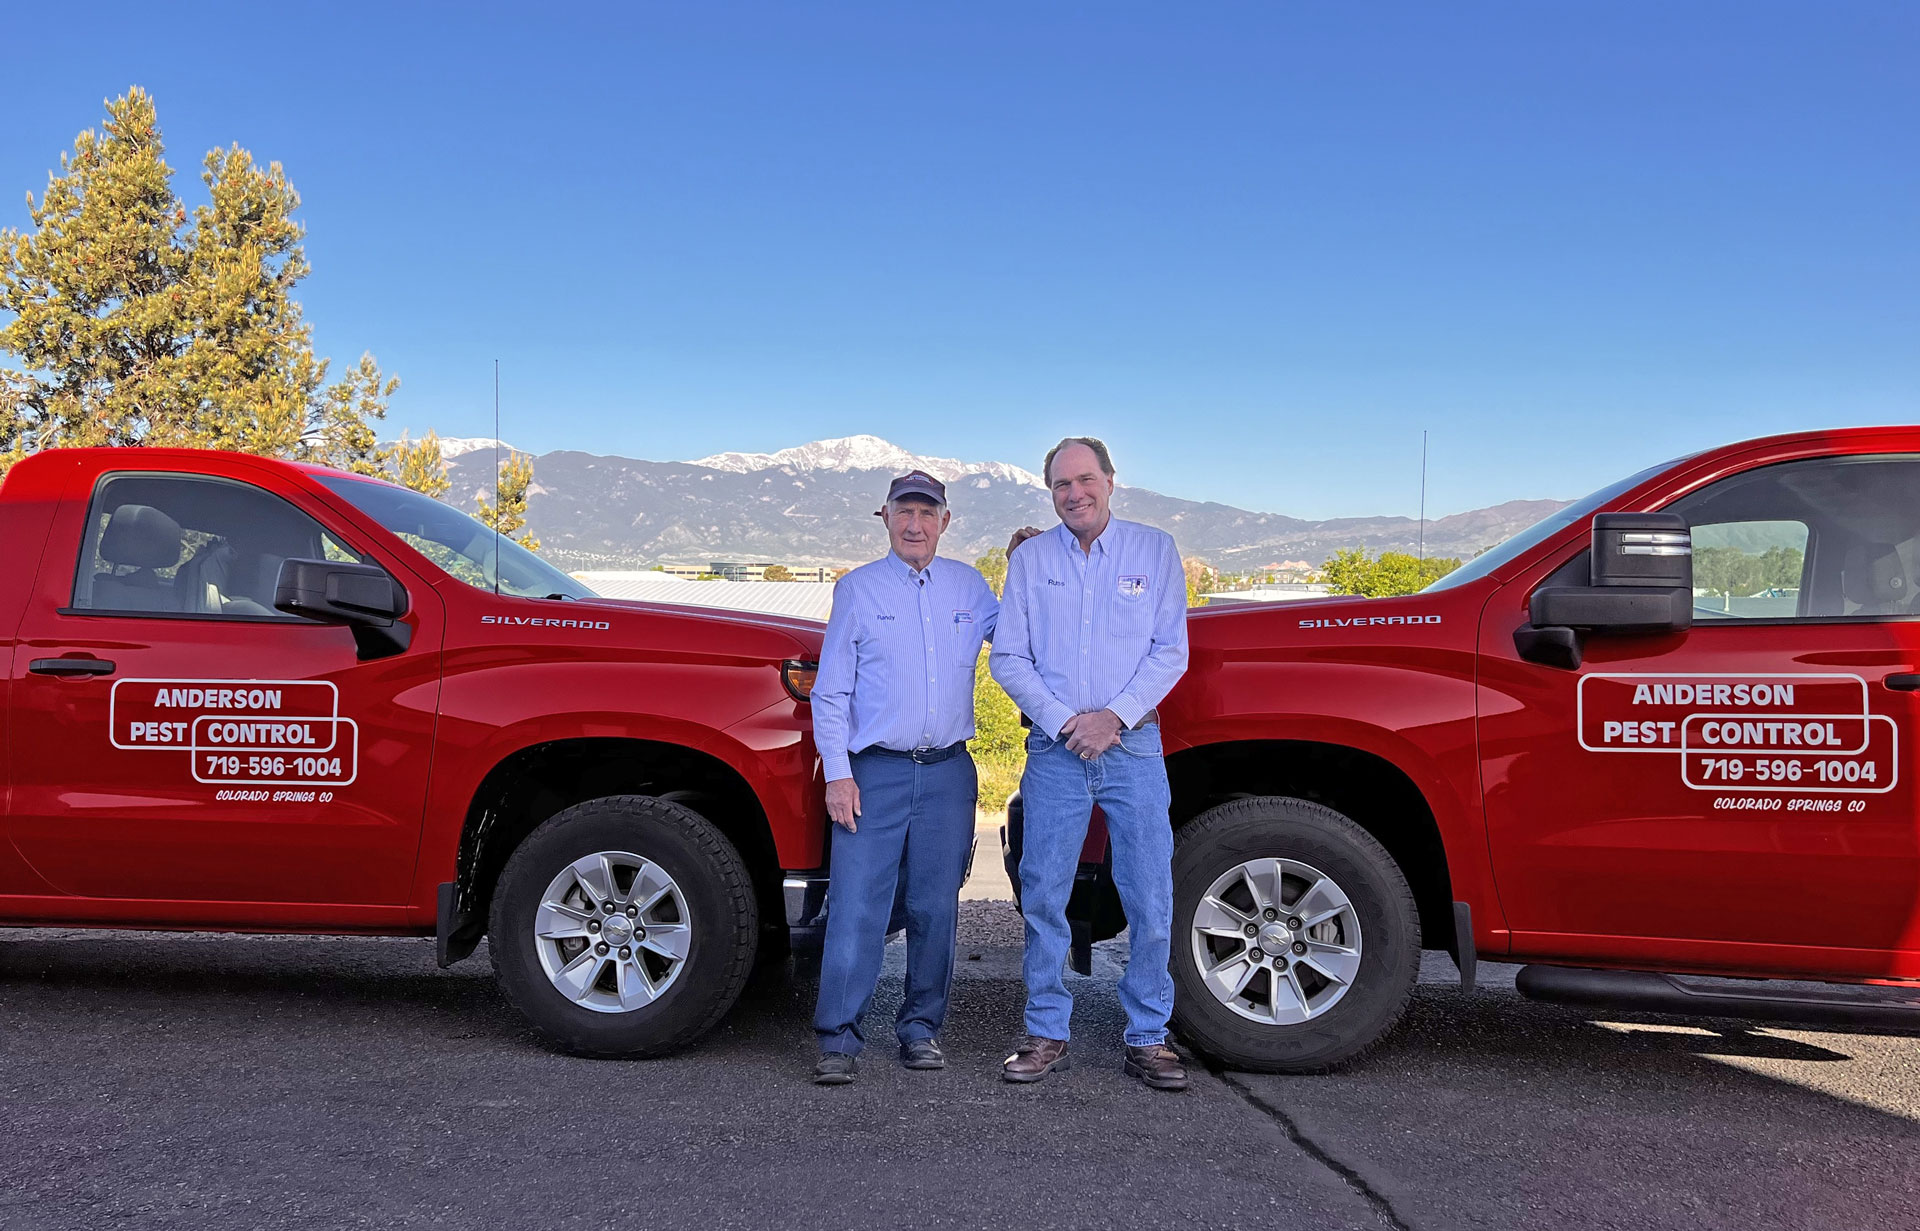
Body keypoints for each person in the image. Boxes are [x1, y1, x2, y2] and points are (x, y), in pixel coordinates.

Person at [989, 437, 1191, 1091]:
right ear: (1049, 493)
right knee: (1045, 894)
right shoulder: (1031, 561)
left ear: (1110, 479)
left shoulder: (1153, 551)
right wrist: (1065, 720)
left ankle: (1148, 1036)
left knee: (1150, 896)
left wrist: (1114, 717)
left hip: (1132, 746)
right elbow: (1009, 656)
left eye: (1084, 479)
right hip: (1056, 749)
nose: (1074, 493)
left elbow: (1170, 651)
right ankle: (1047, 1031)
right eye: (1060, 484)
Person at [809, 470, 1000, 1085]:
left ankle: (921, 1030)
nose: (915, 525)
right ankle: (838, 1038)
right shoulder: (858, 591)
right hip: (875, 774)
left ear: (946, 521)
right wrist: (838, 774)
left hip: (949, 772)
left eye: (928, 513)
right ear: (885, 518)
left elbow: (1025, 642)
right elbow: (831, 692)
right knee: (857, 907)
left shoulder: (971, 589)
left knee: (934, 908)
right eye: (904, 512)